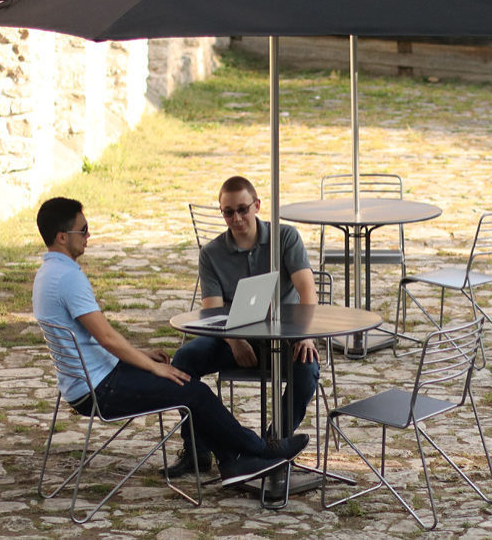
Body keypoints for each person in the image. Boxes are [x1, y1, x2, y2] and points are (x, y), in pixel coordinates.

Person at [32, 196, 308, 486]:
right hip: (100, 388)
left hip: (86, 381)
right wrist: (155, 369)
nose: (89, 236)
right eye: (83, 230)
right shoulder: (69, 279)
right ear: (63, 237)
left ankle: (233, 462)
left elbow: (93, 337)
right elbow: (107, 337)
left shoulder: (47, 274)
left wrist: (140, 354)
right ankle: (260, 449)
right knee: (193, 391)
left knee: (186, 380)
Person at [167, 176, 321, 477]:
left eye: (242, 209)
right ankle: (196, 450)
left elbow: (307, 289)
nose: (236, 218)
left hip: (286, 335)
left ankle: (271, 443)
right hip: (236, 337)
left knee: (308, 366)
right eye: (228, 212)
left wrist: (306, 335)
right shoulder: (211, 253)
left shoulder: (285, 237)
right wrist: (235, 342)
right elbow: (212, 307)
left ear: (257, 206)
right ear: (221, 212)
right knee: (184, 361)